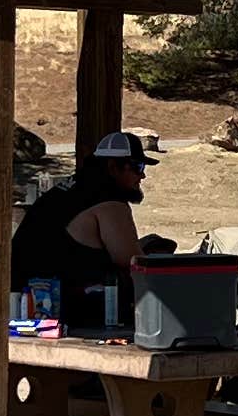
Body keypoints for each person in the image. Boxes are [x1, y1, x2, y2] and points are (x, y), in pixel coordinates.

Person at [10, 127, 150, 329]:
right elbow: (133, 262)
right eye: (137, 167)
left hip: (24, 303)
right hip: (63, 312)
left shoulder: (70, 189)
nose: (142, 176)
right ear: (112, 167)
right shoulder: (109, 200)